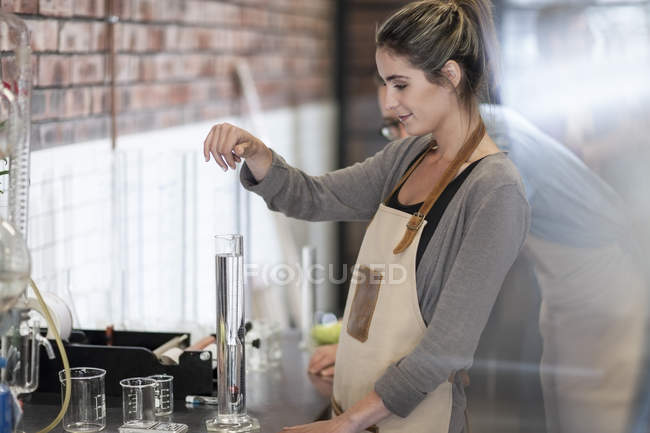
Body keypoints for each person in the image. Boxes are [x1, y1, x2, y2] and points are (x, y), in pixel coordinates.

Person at [202, 1, 530, 432]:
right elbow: (314, 198)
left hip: (412, 421)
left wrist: (349, 424)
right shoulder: (407, 156)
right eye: (385, 83)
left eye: (401, 84)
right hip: (354, 408)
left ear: (450, 76)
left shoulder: (495, 191)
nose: (390, 103)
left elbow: (445, 348)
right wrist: (259, 153)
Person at [364, 73, 649, 432]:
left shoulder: (491, 145)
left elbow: (456, 266)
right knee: (563, 410)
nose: (401, 138)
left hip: (604, 282)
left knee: (592, 416)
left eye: (403, 119)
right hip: (566, 284)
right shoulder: (473, 127)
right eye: (392, 125)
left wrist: (373, 341)